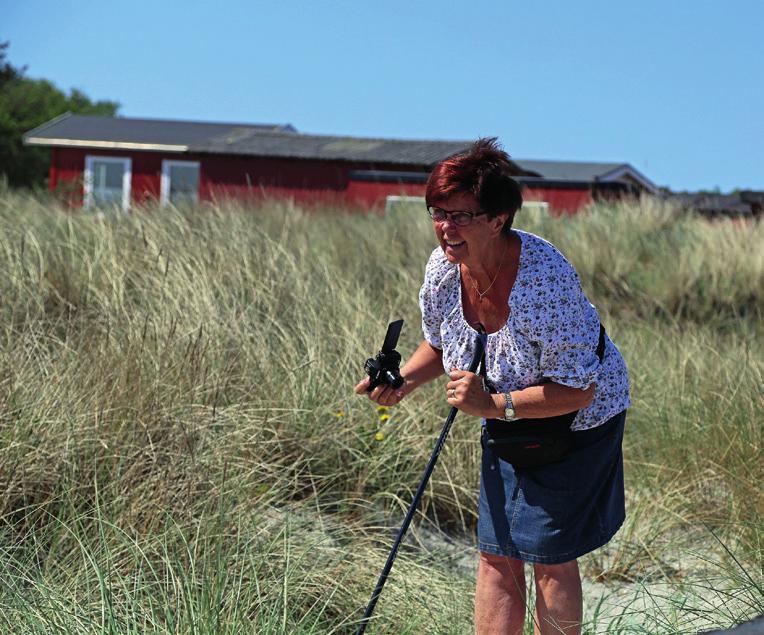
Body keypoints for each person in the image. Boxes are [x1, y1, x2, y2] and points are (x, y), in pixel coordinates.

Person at [355, 138, 630, 635]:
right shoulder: (443, 269)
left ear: (499, 217)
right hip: (507, 413)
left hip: (577, 419)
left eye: (461, 215)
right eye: (437, 212)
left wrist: (492, 403)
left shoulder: (543, 278)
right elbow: (440, 344)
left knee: (548, 556)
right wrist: (403, 382)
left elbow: (578, 389)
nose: (445, 227)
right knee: (496, 553)